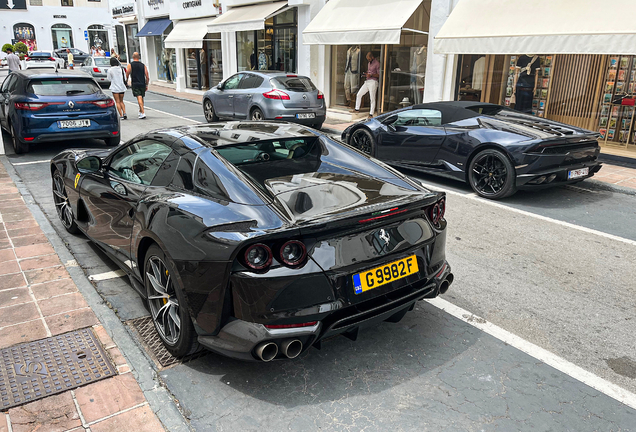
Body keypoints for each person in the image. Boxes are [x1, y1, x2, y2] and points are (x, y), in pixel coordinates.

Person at [355, 52, 380, 118]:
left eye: (369, 59)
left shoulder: (377, 64)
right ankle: (356, 109)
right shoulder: (369, 63)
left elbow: (379, 74)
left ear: (372, 57)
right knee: (359, 94)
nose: (368, 60)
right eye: (367, 59)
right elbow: (369, 71)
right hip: (367, 81)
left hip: (373, 81)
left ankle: (371, 113)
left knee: (372, 98)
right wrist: (366, 74)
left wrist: (371, 75)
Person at [126, 52, 149, 119]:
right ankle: (140, 110)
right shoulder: (143, 65)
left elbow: (127, 73)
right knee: (141, 97)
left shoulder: (130, 65)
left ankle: (142, 112)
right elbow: (147, 75)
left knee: (139, 97)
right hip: (142, 83)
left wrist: (126, 81)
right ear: (139, 57)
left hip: (135, 83)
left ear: (133, 57)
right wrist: (146, 83)